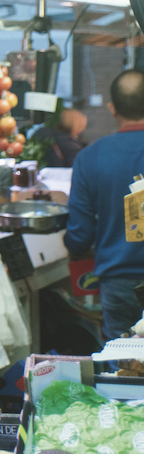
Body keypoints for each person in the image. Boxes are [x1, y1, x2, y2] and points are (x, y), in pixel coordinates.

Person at [64, 70, 144, 338]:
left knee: (123, 360)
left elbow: (79, 235)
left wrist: (71, 244)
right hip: (117, 278)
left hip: (117, 280)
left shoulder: (90, 157)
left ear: (112, 108)